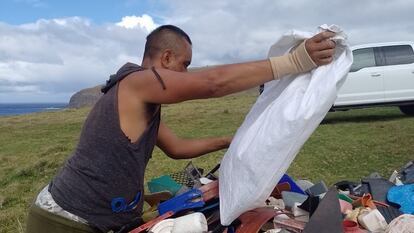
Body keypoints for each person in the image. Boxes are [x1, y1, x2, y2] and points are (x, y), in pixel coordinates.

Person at [26, 25, 336, 233]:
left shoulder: (141, 101)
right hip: (65, 218)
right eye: (184, 64)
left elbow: (177, 148)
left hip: (87, 215)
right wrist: (293, 61)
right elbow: (213, 84)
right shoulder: (136, 82)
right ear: (166, 57)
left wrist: (231, 140)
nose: (186, 73)